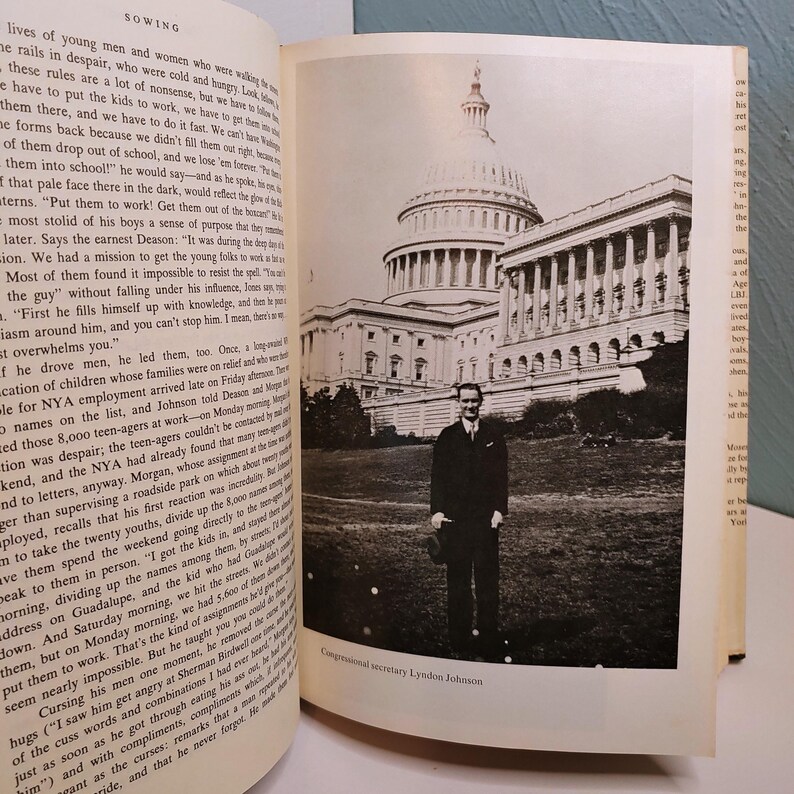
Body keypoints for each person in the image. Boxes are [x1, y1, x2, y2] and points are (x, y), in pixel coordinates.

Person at [430, 383, 508, 656]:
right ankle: (459, 639)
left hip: (486, 522)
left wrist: (500, 509)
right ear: (458, 403)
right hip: (456, 522)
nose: (470, 406)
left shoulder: (493, 435)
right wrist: (437, 511)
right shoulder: (447, 436)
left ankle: (489, 637)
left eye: (475, 401)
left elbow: (501, 477)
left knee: (488, 581)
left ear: (481, 402)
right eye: (465, 401)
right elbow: (437, 477)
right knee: (458, 582)